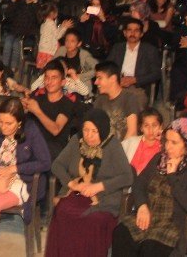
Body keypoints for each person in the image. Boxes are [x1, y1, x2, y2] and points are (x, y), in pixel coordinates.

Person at [112, 117, 187, 257]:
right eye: (166, 141)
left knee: (149, 249)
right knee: (121, 233)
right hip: (149, 215)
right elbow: (139, 183)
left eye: (174, 142)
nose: (168, 146)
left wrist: (172, 176)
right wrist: (142, 206)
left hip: (172, 223)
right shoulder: (160, 158)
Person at [46, 108, 134, 257]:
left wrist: (98, 187)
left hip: (104, 197)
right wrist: (71, 184)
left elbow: (127, 176)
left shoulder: (112, 145)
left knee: (92, 220)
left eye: (94, 131)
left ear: (103, 130)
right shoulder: (76, 141)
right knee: (62, 212)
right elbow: (57, 165)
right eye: (86, 130)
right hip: (77, 192)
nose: (89, 136)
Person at [0, 97, 51, 223]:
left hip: (22, 181)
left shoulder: (31, 131)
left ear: (19, 123)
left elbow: (45, 163)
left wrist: (15, 168)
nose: (3, 127)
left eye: (9, 123)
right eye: (1, 122)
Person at [93, 61, 146, 140]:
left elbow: (132, 132)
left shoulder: (129, 98)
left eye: (99, 78)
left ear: (113, 79)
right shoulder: (100, 100)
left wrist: (118, 151)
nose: (95, 82)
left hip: (125, 147)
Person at [107, 18, 162, 93]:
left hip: (138, 87)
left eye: (136, 30)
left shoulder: (150, 50)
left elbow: (156, 73)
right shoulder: (117, 48)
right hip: (117, 84)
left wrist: (135, 80)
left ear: (141, 34)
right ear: (124, 33)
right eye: (129, 30)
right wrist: (118, 80)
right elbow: (107, 67)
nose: (132, 34)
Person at [122, 107, 164, 174]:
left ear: (161, 126)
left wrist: (164, 140)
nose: (150, 130)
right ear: (141, 128)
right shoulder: (130, 142)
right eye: (146, 125)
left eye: (154, 125)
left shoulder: (164, 146)